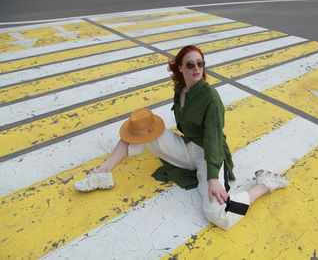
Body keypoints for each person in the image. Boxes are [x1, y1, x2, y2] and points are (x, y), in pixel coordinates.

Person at [74, 45, 289, 230]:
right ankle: (103, 174)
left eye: (200, 64)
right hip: (187, 148)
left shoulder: (211, 98)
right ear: (180, 68)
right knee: (139, 127)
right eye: (190, 65)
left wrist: (213, 178)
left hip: (209, 155)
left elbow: (213, 138)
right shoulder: (181, 90)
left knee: (218, 215)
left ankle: (264, 184)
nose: (196, 69)